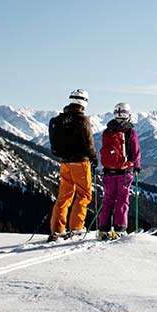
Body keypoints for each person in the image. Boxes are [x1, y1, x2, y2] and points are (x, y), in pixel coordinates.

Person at [47, 89, 98, 241]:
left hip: (65, 162)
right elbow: (88, 143)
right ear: (84, 103)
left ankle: (57, 229)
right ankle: (76, 228)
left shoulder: (60, 119)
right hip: (80, 162)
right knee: (84, 194)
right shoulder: (82, 120)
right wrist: (94, 157)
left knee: (64, 195)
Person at [97, 102, 141, 240]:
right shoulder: (130, 131)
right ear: (128, 114)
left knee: (108, 199)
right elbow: (135, 151)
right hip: (124, 172)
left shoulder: (107, 131)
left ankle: (103, 230)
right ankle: (120, 228)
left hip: (109, 172)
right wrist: (137, 166)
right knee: (122, 200)